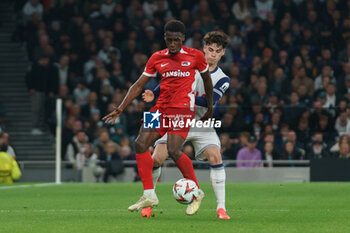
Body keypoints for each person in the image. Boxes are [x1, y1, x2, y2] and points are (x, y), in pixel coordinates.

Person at [102, 20, 213, 213]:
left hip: (183, 110)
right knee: (139, 143)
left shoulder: (195, 56)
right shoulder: (157, 57)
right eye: (169, 40)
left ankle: (197, 192)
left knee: (173, 149)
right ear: (165, 38)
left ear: (182, 39)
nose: (172, 44)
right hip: (160, 109)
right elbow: (138, 85)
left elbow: (207, 79)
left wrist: (210, 106)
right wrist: (121, 107)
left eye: (176, 40)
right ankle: (149, 195)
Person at [140, 31, 231, 219]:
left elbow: (209, 102)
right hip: (175, 116)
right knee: (156, 158)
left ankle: (221, 208)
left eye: (217, 51)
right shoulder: (189, 63)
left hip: (200, 122)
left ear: (223, 53)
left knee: (215, 156)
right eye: (210, 49)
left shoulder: (223, 78)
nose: (213, 54)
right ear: (204, 49)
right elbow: (169, 83)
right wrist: (154, 94)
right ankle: (149, 201)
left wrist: (182, 98)